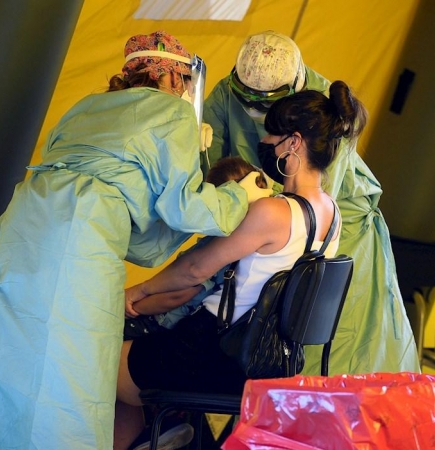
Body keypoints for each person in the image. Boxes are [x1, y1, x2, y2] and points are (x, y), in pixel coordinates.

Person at [0, 31, 270, 450]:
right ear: (176, 79)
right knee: (72, 372)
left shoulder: (85, 106)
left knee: (9, 362)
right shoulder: (172, 113)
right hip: (75, 239)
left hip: (21, 229)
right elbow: (184, 210)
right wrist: (236, 195)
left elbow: (139, 235)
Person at [114, 81, 361, 449]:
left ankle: (158, 430)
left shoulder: (273, 211)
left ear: (293, 143)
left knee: (98, 359)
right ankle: (171, 430)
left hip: (212, 351)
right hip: (270, 363)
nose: (264, 144)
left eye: (271, 136)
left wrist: (138, 290)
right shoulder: (332, 214)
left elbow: (195, 270)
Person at [202, 30, 420, 375]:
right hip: (272, 225)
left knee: (334, 353)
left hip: (331, 230)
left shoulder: (326, 109)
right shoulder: (225, 93)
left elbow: (316, 191)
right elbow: (207, 173)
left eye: (268, 110)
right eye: (250, 104)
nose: (259, 120)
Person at [122, 157, 268, 340]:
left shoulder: (220, 249)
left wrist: (134, 308)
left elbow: (179, 295)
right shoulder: (251, 240)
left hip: (162, 323)